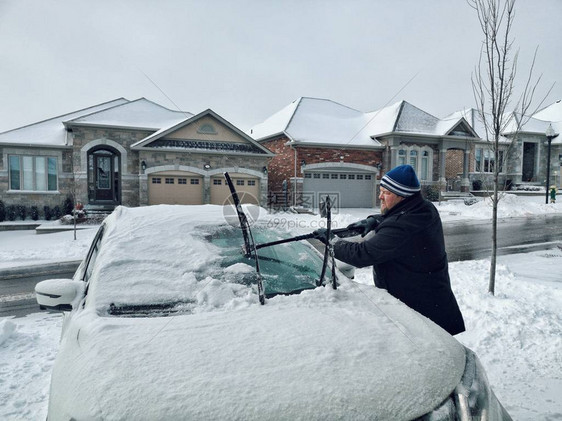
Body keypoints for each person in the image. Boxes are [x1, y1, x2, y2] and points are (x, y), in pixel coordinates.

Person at [314, 165, 465, 336]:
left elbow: (362, 254)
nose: (380, 197)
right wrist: (374, 220)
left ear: (403, 196)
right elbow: (397, 216)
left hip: (421, 312)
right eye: (381, 190)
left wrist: (332, 242)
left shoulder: (402, 227)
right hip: (433, 302)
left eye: (386, 193)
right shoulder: (424, 208)